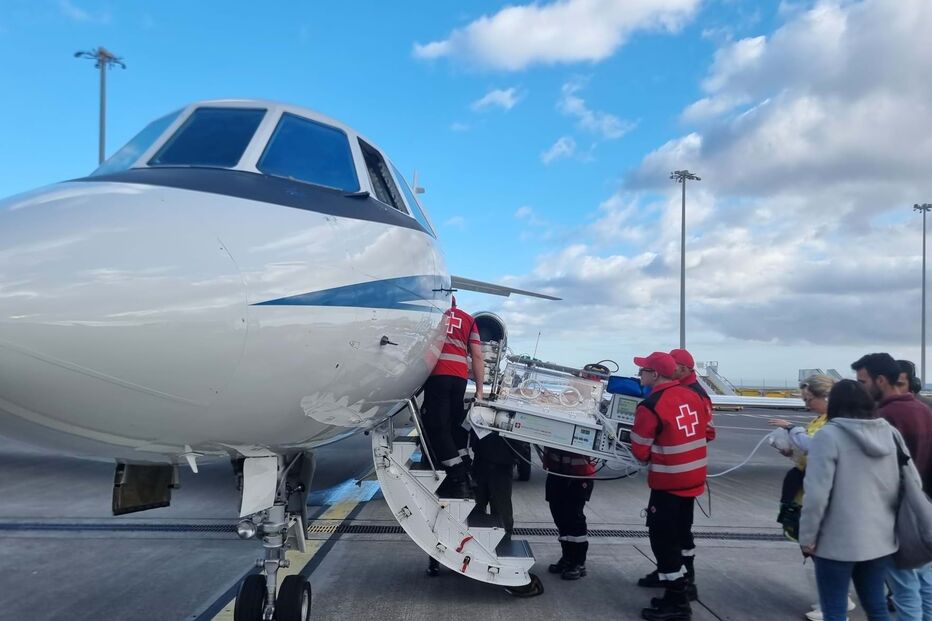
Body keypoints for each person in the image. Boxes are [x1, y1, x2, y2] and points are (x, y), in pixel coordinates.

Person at [799, 379, 902, 621]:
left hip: (837, 540)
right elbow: (910, 481)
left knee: (834, 609)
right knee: (876, 606)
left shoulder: (828, 436)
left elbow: (816, 494)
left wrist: (807, 536)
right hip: (880, 537)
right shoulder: (890, 433)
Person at [631, 351, 711, 621]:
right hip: (692, 481)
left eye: (643, 371)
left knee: (663, 542)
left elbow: (640, 451)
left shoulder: (650, 405)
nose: (639, 375)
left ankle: (677, 603)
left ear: (655, 374)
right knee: (679, 535)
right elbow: (705, 432)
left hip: (669, 483)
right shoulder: (693, 395)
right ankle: (682, 587)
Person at [852, 353, 932, 621]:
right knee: (925, 584)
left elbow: (874, 474)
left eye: (863, 382)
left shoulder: (883, 417)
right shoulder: (924, 410)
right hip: (923, 512)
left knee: (903, 588)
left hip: (894, 516)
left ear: (880, 380)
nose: (861, 388)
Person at [422, 297, 484, 500]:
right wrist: (479, 390)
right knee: (453, 426)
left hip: (438, 375)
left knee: (436, 426)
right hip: (459, 379)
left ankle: (458, 478)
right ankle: (468, 469)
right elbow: (477, 355)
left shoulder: (435, 314)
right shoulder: (469, 320)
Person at [767, 374, 836, 542]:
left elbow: (813, 446)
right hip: (804, 488)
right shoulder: (819, 419)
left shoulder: (833, 422)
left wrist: (791, 428)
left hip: (818, 489)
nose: (807, 405)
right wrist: (792, 453)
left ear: (825, 397)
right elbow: (809, 452)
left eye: (809, 400)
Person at [543, 446, 596, 580]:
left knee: (574, 518)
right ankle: (567, 557)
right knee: (559, 516)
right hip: (556, 472)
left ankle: (578, 562)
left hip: (578, 475)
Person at [669, 349, 716, 442]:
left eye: (671, 366)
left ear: (683, 369)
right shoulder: (676, 388)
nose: (667, 368)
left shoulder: (697, 395)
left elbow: (709, 432)